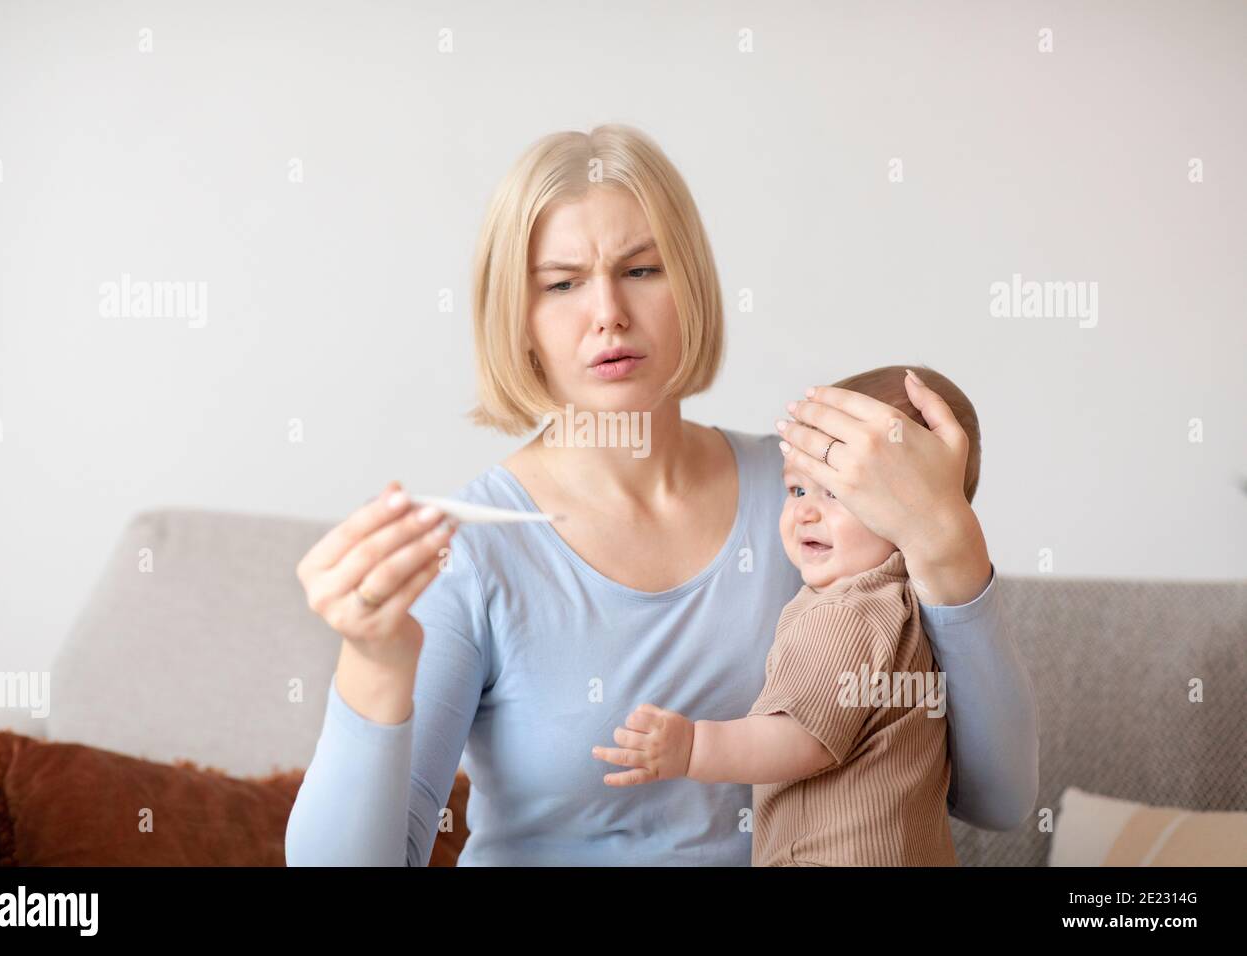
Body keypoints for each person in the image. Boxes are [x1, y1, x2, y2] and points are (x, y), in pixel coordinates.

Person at [285, 124, 1038, 866]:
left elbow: (997, 802)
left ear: (694, 289)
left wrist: (945, 540)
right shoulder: (474, 552)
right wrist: (374, 664)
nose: (608, 311)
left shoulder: (812, 511)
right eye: (562, 283)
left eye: (642, 270)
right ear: (519, 325)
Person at [593, 365, 980, 866]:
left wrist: (693, 747)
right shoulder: (904, 605)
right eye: (797, 490)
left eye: (836, 493)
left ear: (911, 504)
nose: (806, 512)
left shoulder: (847, 615)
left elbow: (800, 738)